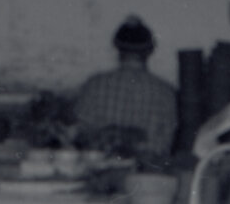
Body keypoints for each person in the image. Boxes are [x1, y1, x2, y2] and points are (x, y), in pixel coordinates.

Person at [72, 14, 178, 164]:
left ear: (117, 48)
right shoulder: (166, 93)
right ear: (149, 50)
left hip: (98, 172)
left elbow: (80, 136)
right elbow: (163, 147)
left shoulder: (94, 85)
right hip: (143, 175)